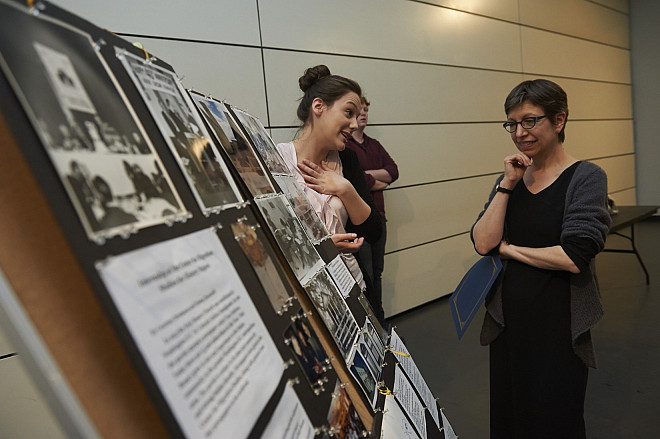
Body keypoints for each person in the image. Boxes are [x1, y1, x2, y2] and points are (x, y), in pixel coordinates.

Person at [471, 79, 611, 438]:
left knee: (553, 415)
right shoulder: (513, 178)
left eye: (530, 121)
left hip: (558, 322)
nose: (520, 132)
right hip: (508, 319)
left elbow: (575, 255)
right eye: (512, 124)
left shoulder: (586, 177)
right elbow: (483, 242)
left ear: (559, 120)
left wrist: (510, 249)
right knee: (510, 411)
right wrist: (507, 184)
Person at [277, 65, 382, 293]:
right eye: (348, 113)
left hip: (351, 285)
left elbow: (373, 232)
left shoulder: (348, 160)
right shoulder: (276, 160)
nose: (354, 124)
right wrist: (322, 248)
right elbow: (272, 238)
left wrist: (345, 189)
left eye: (357, 116)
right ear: (318, 106)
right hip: (305, 290)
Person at [346, 96, 398, 323]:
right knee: (364, 276)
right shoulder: (344, 147)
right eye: (360, 110)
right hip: (357, 224)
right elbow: (357, 180)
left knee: (377, 272)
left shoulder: (374, 144)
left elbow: (393, 172)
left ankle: (381, 321)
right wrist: (374, 178)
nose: (364, 114)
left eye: (367, 110)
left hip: (379, 219)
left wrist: (365, 177)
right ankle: (371, 324)